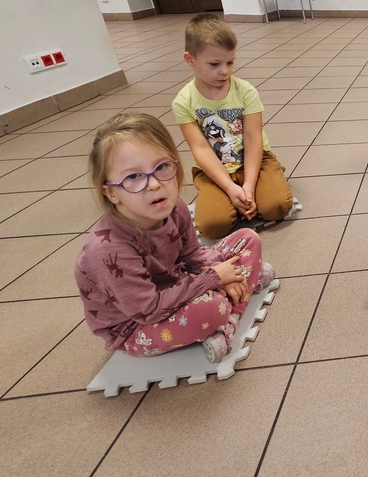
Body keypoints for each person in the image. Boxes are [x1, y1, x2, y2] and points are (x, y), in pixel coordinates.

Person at [75, 112, 275, 363]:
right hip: (137, 324)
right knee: (213, 308)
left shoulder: (174, 207)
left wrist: (218, 274)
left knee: (248, 238)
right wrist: (214, 279)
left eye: (161, 167)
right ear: (111, 193)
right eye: (133, 177)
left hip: (176, 283)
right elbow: (148, 310)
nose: (154, 184)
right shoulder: (107, 250)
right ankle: (233, 310)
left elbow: (193, 254)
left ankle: (232, 307)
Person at [172, 14, 293, 239]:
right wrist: (229, 188)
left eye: (230, 62)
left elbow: (253, 138)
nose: (224, 71)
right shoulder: (183, 101)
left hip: (254, 159)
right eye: (214, 64)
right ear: (190, 59)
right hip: (214, 168)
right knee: (212, 225)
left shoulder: (245, 91)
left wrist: (249, 186)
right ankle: (237, 195)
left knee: (276, 206)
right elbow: (201, 148)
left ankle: (267, 178)